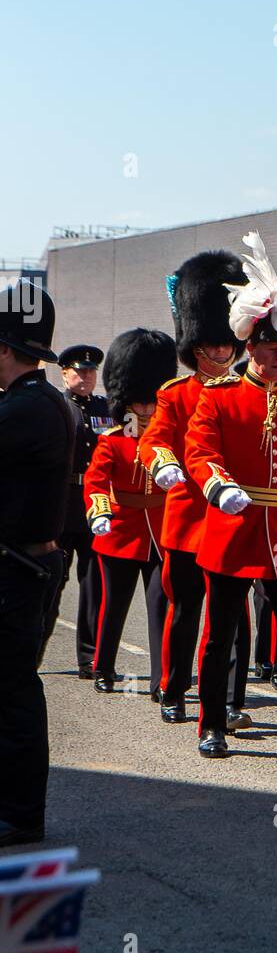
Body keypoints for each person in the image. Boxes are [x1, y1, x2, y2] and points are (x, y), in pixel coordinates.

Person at [185, 232, 277, 765]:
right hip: (234, 526)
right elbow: (200, 453)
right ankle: (213, 721)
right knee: (221, 629)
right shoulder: (220, 397)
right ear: (250, 347)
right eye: (270, 350)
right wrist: (219, 486)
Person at [138, 250, 250, 727]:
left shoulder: (249, 395)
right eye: (212, 344)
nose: (222, 352)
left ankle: (226, 698)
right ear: (194, 345)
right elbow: (155, 439)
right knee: (184, 612)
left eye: (227, 344)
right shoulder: (174, 394)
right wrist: (163, 464)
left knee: (230, 617)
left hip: (232, 518)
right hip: (187, 518)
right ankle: (173, 688)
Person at [0, 280, 73, 848]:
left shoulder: (28, 408)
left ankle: (22, 814)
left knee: (14, 692)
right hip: (21, 566)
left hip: (18, 572)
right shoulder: (36, 401)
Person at [84, 330, 177, 699]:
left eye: (151, 402)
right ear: (128, 402)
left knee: (161, 604)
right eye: (141, 403)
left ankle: (161, 680)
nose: (148, 409)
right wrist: (99, 514)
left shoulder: (168, 440)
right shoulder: (113, 441)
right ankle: (104, 668)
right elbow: (95, 483)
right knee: (114, 605)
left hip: (160, 529)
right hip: (120, 532)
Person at [40, 344, 112, 677]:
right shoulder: (55, 405)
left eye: (90, 371)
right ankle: (35, 650)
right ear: (64, 372)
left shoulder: (106, 408)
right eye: (79, 371)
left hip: (94, 502)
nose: (85, 377)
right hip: (61, 501)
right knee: (53, 581)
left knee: (94, 583)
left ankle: (90, 659)